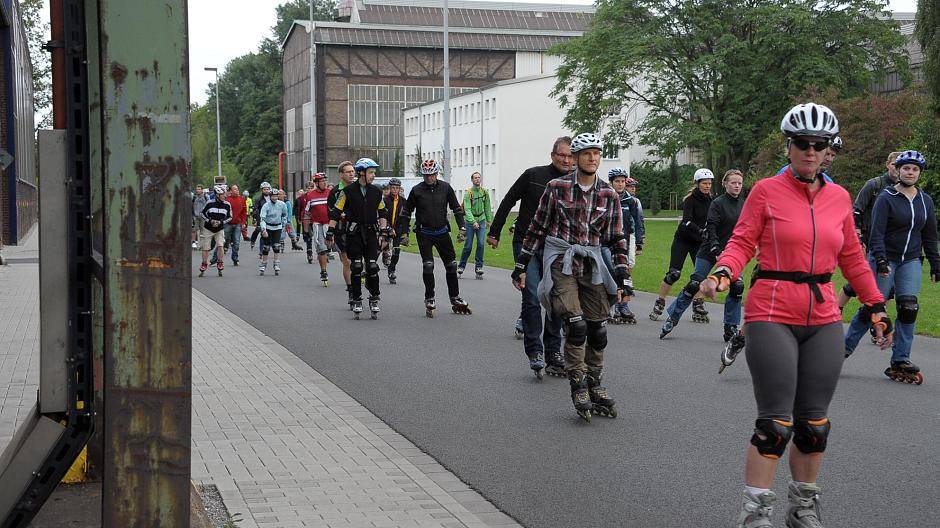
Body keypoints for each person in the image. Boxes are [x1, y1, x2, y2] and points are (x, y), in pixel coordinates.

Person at [700, 103, 891, 528]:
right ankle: (755, 514)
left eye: (818, 144)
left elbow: (852, 258)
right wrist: (723, 272)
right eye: (802, 143)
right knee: (775, 424)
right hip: (771, 310)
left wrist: (876, 306)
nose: (810, 151)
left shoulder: (839, 198)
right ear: (789, 146)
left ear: (828, 150)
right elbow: (742, 241)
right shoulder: (766, 191)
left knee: (814, 425)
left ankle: (802, 507)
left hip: (823, 314)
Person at [511, 132, 633, 415]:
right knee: (576, 325)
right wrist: (521, 264)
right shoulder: (556, 188)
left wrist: (623, 277)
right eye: (586, 153)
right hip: (561, 262)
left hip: (592, 265)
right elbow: (538, 227)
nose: (592, 158)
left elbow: (617, 239)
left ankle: (594, 382)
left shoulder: (609, 194)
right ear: (576, 158)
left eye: (596, 153)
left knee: (598, 330)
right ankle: (578, 384)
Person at [842, 150, 938, 384]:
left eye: (915, 169)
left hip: (911, 260)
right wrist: (881, 259)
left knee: (909, 307)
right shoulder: (886, 197)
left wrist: (936, 263)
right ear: (898, 170)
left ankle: (900, 359)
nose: (910, 172)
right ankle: (842, 350)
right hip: (885, 258)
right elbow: (877, 232)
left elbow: (929, 235)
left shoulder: (925, 200)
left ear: (920, 173)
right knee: (873, 307)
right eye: (906, 168)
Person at [486, 137, 571, 376]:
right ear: (552, 155)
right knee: (532, 295)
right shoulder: (533, 175)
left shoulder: (574, 183)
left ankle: (553, 352)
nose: (566, 160)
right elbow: (508, 200)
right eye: (562, 155)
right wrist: (494, 231)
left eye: (570, 156)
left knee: (555, 299)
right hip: (526, 244)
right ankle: (535, 351)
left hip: (557, 247)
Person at [660, 170, 746, 341]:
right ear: (725, 184)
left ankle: (730, 326)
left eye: (739, 183)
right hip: (709, 250)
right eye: (733, 183)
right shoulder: (717, 203)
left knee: (737, 286)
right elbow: (711, 225)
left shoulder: (744, 205)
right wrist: (715, 247)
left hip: (731, 253)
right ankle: (673, 317)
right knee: (695, 283)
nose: (737, 186)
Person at [397, 159, 471, 317]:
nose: (429, 178)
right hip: (424, 233)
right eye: (426, 175)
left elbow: (457, 208)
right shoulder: (416, 190)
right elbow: (406, 212)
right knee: (428, 265)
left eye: (431, 175)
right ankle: (429, 298)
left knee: (451, 265)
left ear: (437, 174)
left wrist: (462, 227)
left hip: (442, 232)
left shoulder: (445, 188)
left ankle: (455, 297)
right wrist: (404, 233)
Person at [837, 151, 902, 310]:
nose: (897, 169)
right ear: (887, 164)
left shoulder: (904, 189)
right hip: (869, 239)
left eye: (900, 166)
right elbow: (857, 210)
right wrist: (858, 237)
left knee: (889, 287)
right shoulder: (874, 185)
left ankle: (879, 316)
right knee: (858, 281)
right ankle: (837, 310)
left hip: (890, 243)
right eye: (894, 164)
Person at [325, 158, 389, 318]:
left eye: (374, 172)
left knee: (372, 266)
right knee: (357, 266)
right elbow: (335, 212)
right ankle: (356, 298)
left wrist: (383, 232)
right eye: (371, 172)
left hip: (371, 233)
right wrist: (330, 231)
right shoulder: (347, 192)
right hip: (354, 233)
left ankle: (374, 297)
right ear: (362, 173)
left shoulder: (376, 191)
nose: (373, 175)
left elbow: (382, 213)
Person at [650, 168, 713, 322]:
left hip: (699, 242)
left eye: (709, 183)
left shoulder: (711, 201)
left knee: (700, 275)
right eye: (704, 183)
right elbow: (687, 221)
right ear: (697, 184)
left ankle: (698, 303)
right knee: (674, 274)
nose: (707, 186)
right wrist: (701, 231)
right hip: (683, 240)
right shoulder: (690, 200)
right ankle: (660, 301)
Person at [605, 168, 638, 325]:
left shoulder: (631, 201)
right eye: (617, 181)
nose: (620, 184)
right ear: (611, 183)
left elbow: (637, 222)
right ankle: (611, 306)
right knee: (611, 272)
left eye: (623, 181)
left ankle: (623, 305)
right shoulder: (605, 198)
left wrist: (639, 242)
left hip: (626, 240)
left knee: (626, 272)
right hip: (608, 242)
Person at [329, 161, 357, 308]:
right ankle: (351, 291)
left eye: (353, 171)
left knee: (358, 262)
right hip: (342, 230)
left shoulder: (359, 188)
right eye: (348, 172)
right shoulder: (335, 192)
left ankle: (358, 287)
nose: (351, 174)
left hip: (358, 229)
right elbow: (332, 213)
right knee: (347, 262)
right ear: (341, 174)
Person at [458, 172, 493, 279]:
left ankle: (479, 267)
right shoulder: (468, 193)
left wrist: (489, 220)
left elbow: (487, 207)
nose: (477, 179)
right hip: (470, 222)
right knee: (468, 245)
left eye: (479, 177)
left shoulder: (484, 192)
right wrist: (473, 221)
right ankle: (461, 266)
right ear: (472, 180)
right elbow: (467, 209)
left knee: (481, 244)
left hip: (481, 220)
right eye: (475, 178)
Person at [302, 174, 332, 285]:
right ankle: (323, 271)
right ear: (316, 183)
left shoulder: (330, 192)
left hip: (331, 225)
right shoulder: (310, 195)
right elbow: (306, 213)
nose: (325, 183)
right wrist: (306, 231)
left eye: (325, 180)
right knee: (322, 249)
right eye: (322, 181)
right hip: (318, 225)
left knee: (342, 250)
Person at [198, 184, 232, 277]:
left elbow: (230, 217)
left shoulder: (227, 204)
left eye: (224, 194)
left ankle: (220, 262)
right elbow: (202, 213)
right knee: (206, 247)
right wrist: (210, 221)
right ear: (217, 195)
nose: (225, 196)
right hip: (208, 228)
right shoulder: (209, 203)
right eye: (222, 194)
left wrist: (221, 222)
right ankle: (204, 263)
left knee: (220, 245)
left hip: (219, 228)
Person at [258, 188, 289, 276]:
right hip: (268, 227)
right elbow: (262, 218)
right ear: (270, 196)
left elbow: (284, 215)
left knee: (276, 246)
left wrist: (284, 225)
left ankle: (276, 263)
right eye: (273, 196)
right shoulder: (266, 205)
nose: (274, 198)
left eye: (276, 196)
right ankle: (264, 263)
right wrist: (263, 229)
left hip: (277, 227)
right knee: (266, 247)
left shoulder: (282, 204)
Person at [383, 178, 407, 284]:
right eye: (393, 188)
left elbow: (406, 218)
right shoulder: (385, 200)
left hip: (398, 228)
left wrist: (405, 233)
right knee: (381, 247)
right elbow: (382, 216)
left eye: (397, 188)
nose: (395, 190)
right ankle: (369, 268)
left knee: (396, 251)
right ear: (390, 188)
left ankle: (391, 270)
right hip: (386, 227)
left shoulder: (403, 201)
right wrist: (388, 228)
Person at [223, 184, 248, 266]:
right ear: (230, 191)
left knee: (236, 242)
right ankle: (215, 258)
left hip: (238, 224)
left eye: (237, 189)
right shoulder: (227, 200)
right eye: (235, 189)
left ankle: (235, 258)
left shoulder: (242, 199)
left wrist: (243, 222)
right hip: (227, 223)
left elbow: (244, 212)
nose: (237, 190)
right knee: (224, 240)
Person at [250, 182, 274, 249]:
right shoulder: (258, 199)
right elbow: (255, 210)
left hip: (270, 217)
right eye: (264, 189)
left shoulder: (272, 198)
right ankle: (253, 241)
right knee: (258, 230)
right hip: (261, 217)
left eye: (267, 189)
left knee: (269, 231)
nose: (266, 191)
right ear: (262, 190)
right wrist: (255, 219)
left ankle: (267, 245)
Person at [192, 185, 207, 250]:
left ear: (202, 190)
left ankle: (202, 244)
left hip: (203, 217)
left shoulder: (206, 197)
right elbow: (192, 206)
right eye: (197, 189)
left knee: (202, 231)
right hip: (196, 216)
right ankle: (193, 242)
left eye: (199, 189)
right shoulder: (194, 197)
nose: (198, 190)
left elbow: (208, 206)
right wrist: (193, 214)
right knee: (194, 229)